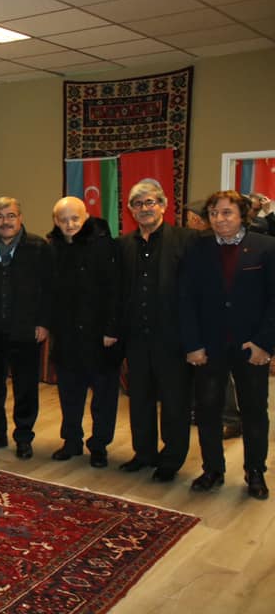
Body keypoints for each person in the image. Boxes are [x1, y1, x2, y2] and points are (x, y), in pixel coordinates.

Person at [180, 190, 275, 500]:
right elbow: (187, 299)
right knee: (208, 410)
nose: (219, 219)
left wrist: (264, 344)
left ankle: (255, 471)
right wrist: (193, 344)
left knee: (254, 411)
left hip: (251, 347)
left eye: (226, 212)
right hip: (209, 347)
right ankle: (212, 469)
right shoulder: (198, 248)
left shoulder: (266, 247)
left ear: (241, 215)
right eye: (214, 213)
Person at [117, 179, 196, 483]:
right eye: (137, 204)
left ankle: (171, 459)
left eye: (150, 202)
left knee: (174, 402)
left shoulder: (186, 240)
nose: (144, 208)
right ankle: (144, 453)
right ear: (130, 210)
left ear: (163, 205)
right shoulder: (124, 244)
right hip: (136, 336)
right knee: (140, 399)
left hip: (173, 337)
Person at [47, 197, 121, 468]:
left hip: (100, 336)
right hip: (67, 335)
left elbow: (116, 290)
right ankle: (71, 441)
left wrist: (112, 328)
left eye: (75, 218)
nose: (70, 224)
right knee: (70, 394)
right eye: (63, 220)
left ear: (86, 217)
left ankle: (99, 444)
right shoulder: (52, 248)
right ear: (56, 221)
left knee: (103, 396)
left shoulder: (104, 246)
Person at [0, 197, 52, 459]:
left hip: (25, 329)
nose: (5, 222)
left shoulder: (37, 246)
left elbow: (48, 288)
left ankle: (24, 437)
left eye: (11, 216)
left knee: (26, 388)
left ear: (20, 218)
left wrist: (43, 322)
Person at [184, 199, 241, 440]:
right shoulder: (197, 245)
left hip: (220, 328)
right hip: (199, 326)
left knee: (220, 377)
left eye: (190, 219)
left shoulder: (212, 246)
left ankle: (230, 419)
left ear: (199, 220)